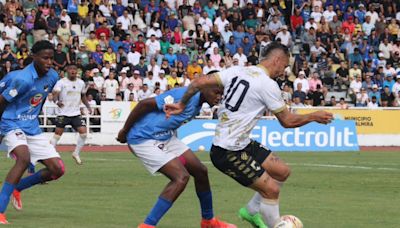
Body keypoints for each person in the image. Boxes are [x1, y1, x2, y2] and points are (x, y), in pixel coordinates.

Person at [164, 42, 333, 228]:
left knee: (282, 172)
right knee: (271, 190)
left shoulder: (237, 71)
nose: (284, 71)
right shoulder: (267, 85)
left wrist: (181, 104)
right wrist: (314, 116)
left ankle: (251, 211)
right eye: (284, 66)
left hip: (241, 143)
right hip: (227, 151)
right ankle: (275, 225)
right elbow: (287, 121)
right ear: (276, 60)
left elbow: (198, 82)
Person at [116, 74, 236, 228]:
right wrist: (124, 131)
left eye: (222, 94)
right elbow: (144, 104)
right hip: (143, 138)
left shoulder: (198, 103)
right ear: (204, 87)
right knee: (181, 178)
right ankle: (147, 226)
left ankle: (209, 221)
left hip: (165, 137)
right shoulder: (183, 95)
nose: (219, 97)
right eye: (216, 92)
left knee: (200, 171)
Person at [0, 40, 65, 224]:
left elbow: (41, 98)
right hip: (11, 122)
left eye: (51, 58)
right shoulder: (22, 79)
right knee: (23, 158)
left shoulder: (52, 76)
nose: (49, 62)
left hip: (32, 127)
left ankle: (17, 187)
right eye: (45, 58)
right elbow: (2, 103)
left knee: (57, 169)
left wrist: (35, 116)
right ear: (33, 57)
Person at [50, 64, 92, 165]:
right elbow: (55, 94)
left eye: (75, 69)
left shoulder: (81, 83)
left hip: (75, 113)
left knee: (84, 133)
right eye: (71, 69)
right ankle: (49, 153)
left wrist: (88, 106)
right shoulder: (61, 82)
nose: (73, 71)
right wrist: (57, 102)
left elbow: (83, 95)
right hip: (63, 113)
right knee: (57, 136)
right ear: (67, 71)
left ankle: (76, 153)